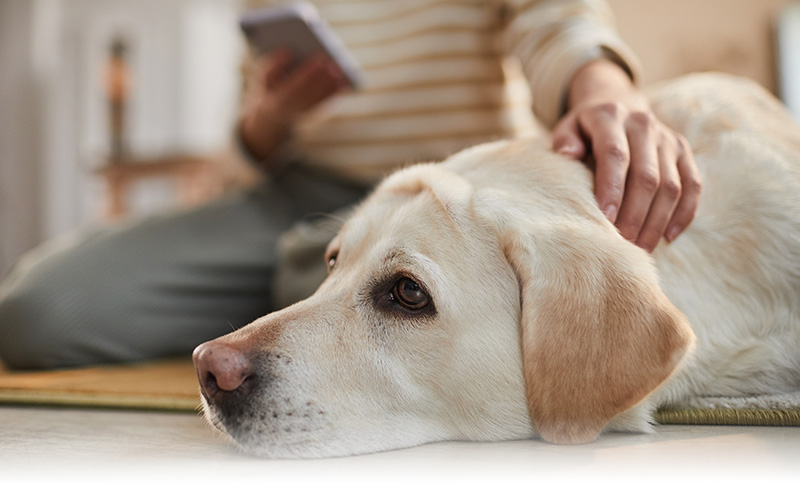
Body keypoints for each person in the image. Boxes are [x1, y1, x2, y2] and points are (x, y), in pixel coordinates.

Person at [0, 0, 700, 369]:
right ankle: (324, 287)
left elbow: (560, 25)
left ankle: (327, 288)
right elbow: (243, 150)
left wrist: (610, 90)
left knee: (346, 270)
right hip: (291, 200)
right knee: (37, 310)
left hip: (441, 203)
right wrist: (270, 113)